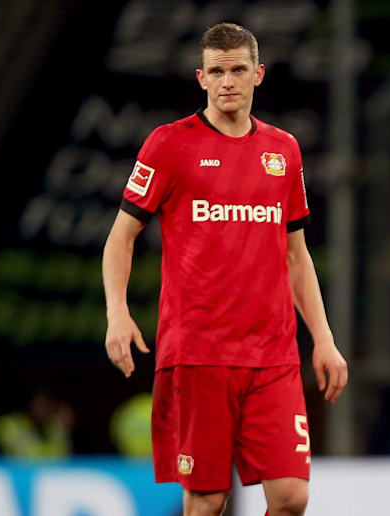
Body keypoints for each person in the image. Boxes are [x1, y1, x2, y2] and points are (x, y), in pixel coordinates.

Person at [102, 23, 348, 516]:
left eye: (238, 70)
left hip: (272, 352)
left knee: (292, 496)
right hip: (199, 351)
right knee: (208, 500)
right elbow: (120, 238)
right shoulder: (169, 145)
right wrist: (118, 314)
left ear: (258, 74)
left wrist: (322, 338)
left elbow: (296, 254)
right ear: (201, 78)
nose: (228, 81)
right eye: (217, 71)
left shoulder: (283, 152)